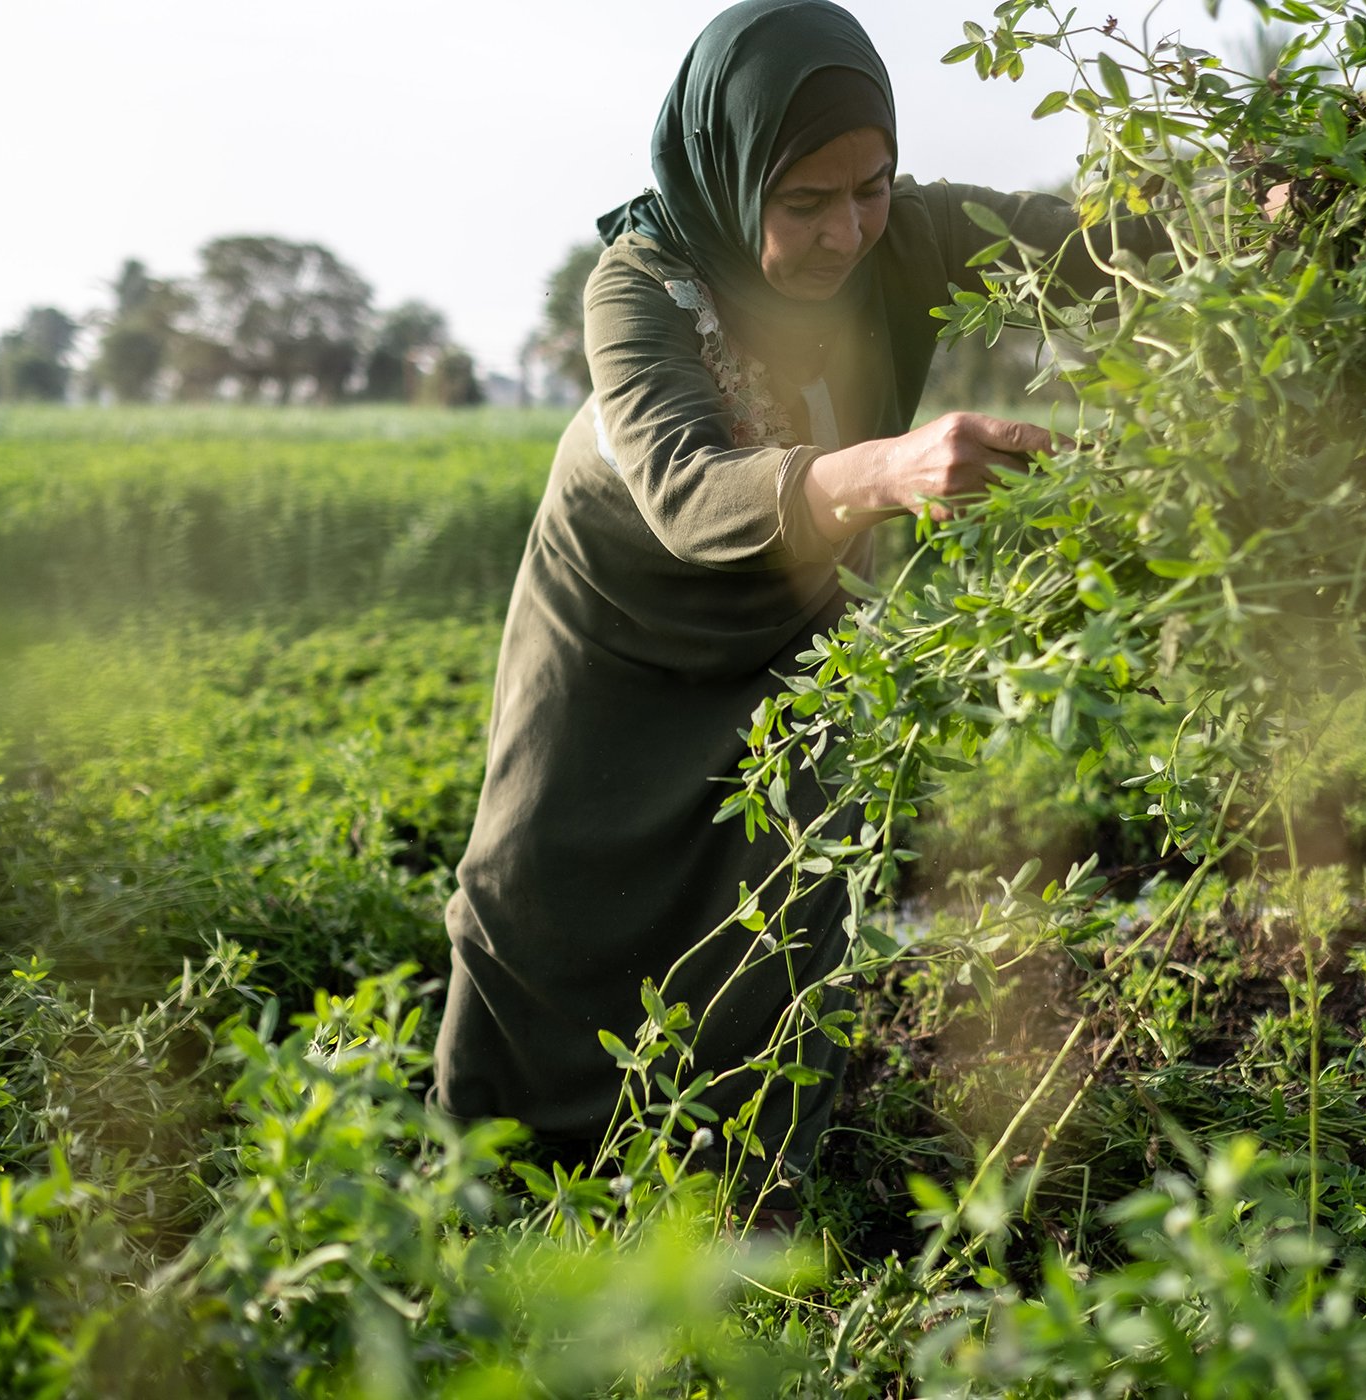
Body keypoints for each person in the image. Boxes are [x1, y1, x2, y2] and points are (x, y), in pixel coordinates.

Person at [433, 0, 1155, 1210]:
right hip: (613, 624)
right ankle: (482, 1201)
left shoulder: (909, 237)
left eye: (869, 188)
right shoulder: (643, 287)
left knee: (780, 898)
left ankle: (734, 1199)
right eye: (804, 204)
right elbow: (683, 488)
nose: (848, 232)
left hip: (788, 622)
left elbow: (1101, 243)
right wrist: (891, 469)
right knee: (534, 891)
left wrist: (1283, 212)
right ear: (728, 175)